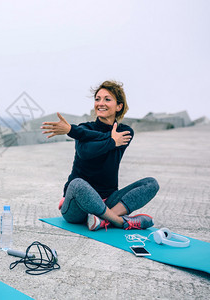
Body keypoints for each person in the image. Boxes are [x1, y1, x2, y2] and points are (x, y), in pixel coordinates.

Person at [41, 80, 159, 231]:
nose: (100, 103)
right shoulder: (84, 128)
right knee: (77, 184)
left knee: (151, 183)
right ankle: (118, 221)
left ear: (119, 106)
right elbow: (85, 152)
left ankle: (102, 219)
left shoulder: (125, 132)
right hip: (77, 208)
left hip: (107, 200)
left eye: (107, 99)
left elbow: (94, 136)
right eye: (97, 99)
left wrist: (72, 130)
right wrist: (111, 142)